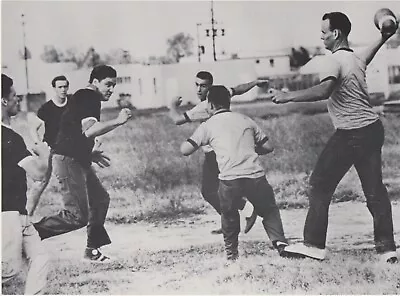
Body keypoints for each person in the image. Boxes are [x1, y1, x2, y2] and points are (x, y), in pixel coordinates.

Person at [271, 12, 398, 263]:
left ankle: (314, 246)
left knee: (319, 184)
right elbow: (372, 49)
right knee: (374, 191)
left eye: (324, 32)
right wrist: (384, 35)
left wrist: (288, 97)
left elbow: (325, 89)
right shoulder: (355, 58)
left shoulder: (332, 61)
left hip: (351, 133)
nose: (322, 37)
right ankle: (387, 249)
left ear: (336, 34)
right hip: (372, 130)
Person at [33, 65, 132, 263]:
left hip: (76, 157)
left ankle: (92, 250)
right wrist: (119, 121)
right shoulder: (89, 96)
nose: (111, 89)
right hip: (67, 160)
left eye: (113, 85)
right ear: (95, 82)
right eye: (108, 84)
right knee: (76, 217)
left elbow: (73, 132)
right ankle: (26, 235)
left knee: (100, 199)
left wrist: (88, 152)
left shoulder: (83, 96)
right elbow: (89, 130)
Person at [180, 85, 291, 261]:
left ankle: (232, 255)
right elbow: (268, 147)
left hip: (229, 179)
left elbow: (185, 150)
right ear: (228, 101)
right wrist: (249, 150)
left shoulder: (208, 125)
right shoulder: (245, 119)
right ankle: (280, 244)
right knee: (269, 210)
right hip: (255, 176)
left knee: (229, 215)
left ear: (210, 105)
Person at [169, 71, 268, 234]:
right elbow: (238, 89)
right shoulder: (221, 95)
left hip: (215, 153)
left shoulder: (204, 106)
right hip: (223, 150)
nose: (199, 89)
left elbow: (177, 120)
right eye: (197, 85)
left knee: (209, 191)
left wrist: (172, 106)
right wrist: (255, 82)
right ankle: (230, 220)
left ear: (210, 87)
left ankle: (245, 209)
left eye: (204, 86)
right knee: (219, 190)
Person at [2, 74, 51, 294]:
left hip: (18, 215)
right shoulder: (9, 138)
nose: (18, 100)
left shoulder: (9, 137)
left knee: (40, 258)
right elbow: (39, 173)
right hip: (8, 217)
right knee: (7, 272)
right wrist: (44, 152)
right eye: (14, 96)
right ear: (3, 101)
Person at [27, 75, 70, 215]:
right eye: (60, 87)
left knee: (73, 182)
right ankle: (25, 218)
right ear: (54, 89)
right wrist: (39, 145)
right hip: (51, 150)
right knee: (40, 183)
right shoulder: (47, 108)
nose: (63, 89)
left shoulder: (73, 105)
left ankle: (77, 215)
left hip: (70, 151)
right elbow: (33, 128)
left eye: (65, 86)